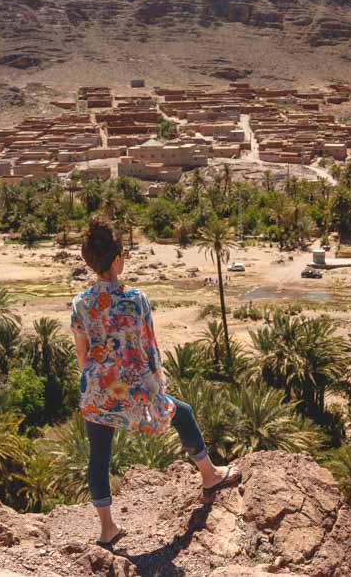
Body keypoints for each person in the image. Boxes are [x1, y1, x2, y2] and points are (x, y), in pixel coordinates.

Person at [70, 218, 240, 548]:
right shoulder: (135, 298)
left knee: (99, 458)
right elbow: (149, 346)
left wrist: (97, 386)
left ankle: (107, 528)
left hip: (97, 391)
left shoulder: (80, 304)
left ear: (90, 262)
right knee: (184, 413)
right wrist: (155, 392)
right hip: (135, 390)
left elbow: (82, 354)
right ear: (117, 260)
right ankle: (210, 475)